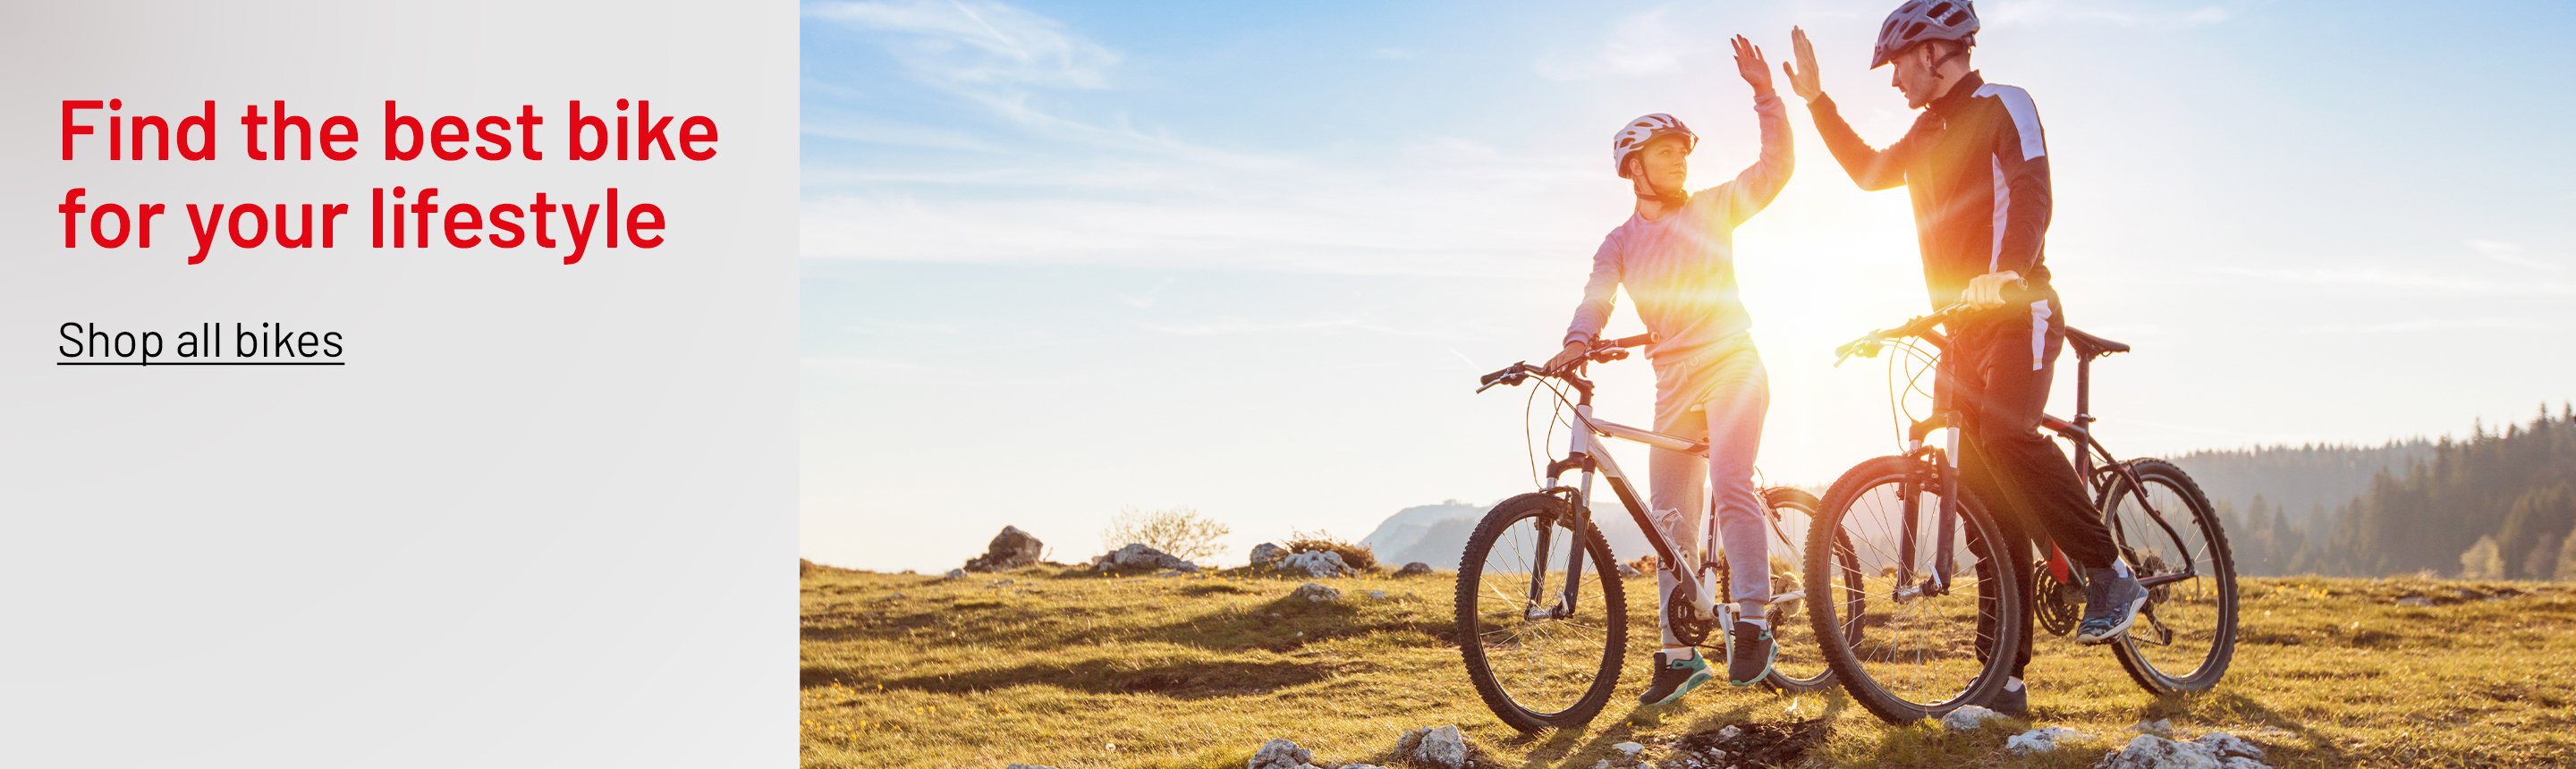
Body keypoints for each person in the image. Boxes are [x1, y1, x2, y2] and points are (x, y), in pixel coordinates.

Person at [1779, 1, 2149, 716]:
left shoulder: (2002, 104)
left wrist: (2008, 269)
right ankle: (2003, 682)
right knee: (1985, 506)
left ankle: (2109, 574)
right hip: (1964, 329)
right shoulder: (1924, 133)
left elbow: (2034, 192)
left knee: (2009, 436)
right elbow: (1865, 172)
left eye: (1894, 66)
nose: (1891, 82)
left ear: (1931, 52)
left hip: (2020, 309)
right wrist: (1816, 101)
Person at [1548, 35, 1792, 706]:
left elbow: (1775, 169)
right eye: (1665, 154)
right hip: (1672, 383)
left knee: (1730, 480)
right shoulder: (1619, 242)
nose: (1680, 164)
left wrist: (1764, 94)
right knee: (1668, 522)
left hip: (1733, 364)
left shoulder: (1715, 207)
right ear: (1633, 168)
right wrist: (1577, 339)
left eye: (1684, 153)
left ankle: (1752, 620)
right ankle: (1679, 655)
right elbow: (1597, 294)